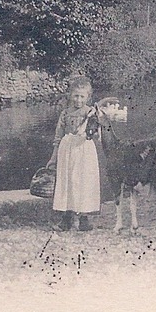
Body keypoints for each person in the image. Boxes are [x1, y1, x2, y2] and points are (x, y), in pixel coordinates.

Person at [47, 76, 101, 231]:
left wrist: (94, 124)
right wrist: (54, 157)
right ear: (70, 95)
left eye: (82, 96)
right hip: (67, 150)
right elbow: (58, 136)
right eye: (75, 95)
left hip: (84, 150)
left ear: (88, 97)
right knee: (68, 181)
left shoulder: (90, 112)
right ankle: (67, 217)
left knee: (84, 181)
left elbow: (95, 134)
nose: (78, 100)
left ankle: (84, 217)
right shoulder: (65, 114)